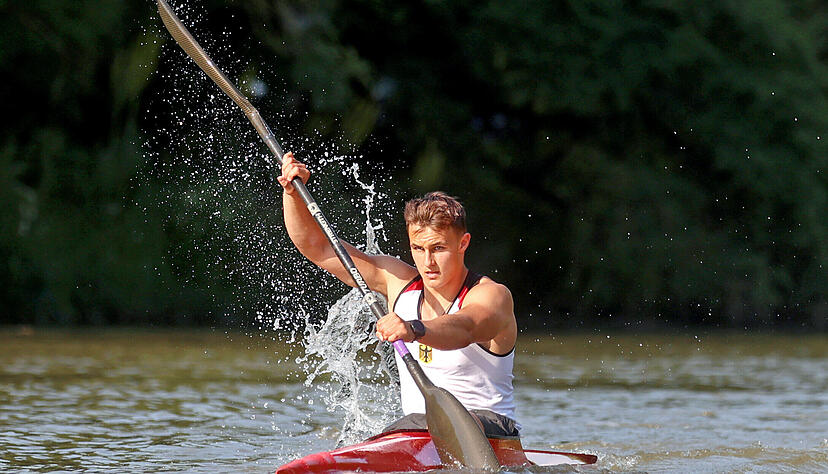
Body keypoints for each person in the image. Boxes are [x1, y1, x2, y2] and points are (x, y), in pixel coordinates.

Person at [277, 152, 520, 438]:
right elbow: (317, 247)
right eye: (418, 249)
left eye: (438, 249)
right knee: (401, 431)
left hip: (491, 431)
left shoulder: (491, 296)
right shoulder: (397, 281)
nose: (427, 261)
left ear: (462, 243)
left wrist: (413, 328)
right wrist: (292, 194)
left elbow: (465, 328)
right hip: (417, 431)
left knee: (422, 427)